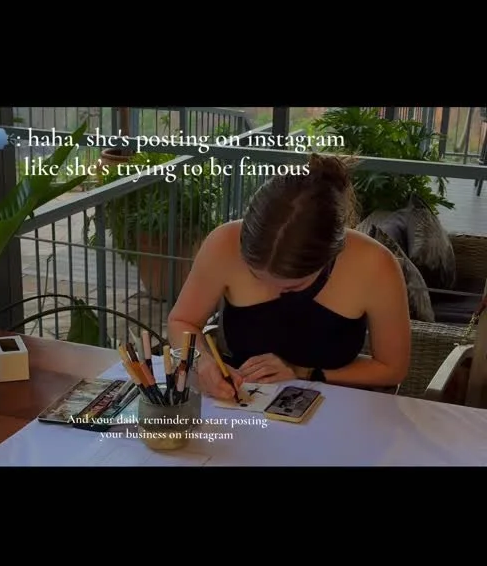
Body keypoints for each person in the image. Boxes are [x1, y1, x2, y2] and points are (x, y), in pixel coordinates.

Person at [168, 154, 411, 400]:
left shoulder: (375, 265)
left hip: (337, 407)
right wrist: (200, 361)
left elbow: (392, 369)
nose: (273, 291)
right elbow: (182, 321)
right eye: (256, 276)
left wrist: (303, 373)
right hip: (243, 402)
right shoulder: (223, 244)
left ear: (331, 255)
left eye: (294, 286)